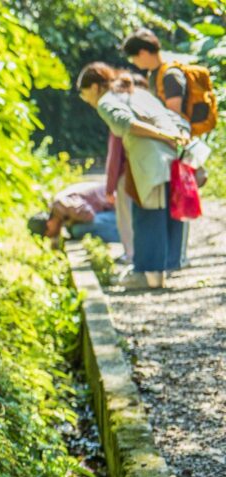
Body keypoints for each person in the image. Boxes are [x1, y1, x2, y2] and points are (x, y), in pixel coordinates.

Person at [77, 61, 190, 289]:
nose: (85, 99)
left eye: (84, 92)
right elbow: (174, 119)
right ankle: (158, 276)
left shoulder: (106, 101)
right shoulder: (138, 92)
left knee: (147, 217)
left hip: (148, 163)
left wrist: (162, 134)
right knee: (162, 215)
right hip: (169, 159)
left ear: (95, 87)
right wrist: (175, 136)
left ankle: (145, 274)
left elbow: (124, 125)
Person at [121, 28, 193, 266]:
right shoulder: (156, 75)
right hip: (167, 145)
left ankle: (176, 259)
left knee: (179, 201)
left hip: (175, 145)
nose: (135, 63)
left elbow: (173, 114)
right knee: (172, 201)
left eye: (134, 58)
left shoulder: (169, 75)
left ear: (143, 52)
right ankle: (171, 259)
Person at [105, 72, 148, 264]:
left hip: (127, 175)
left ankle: (130, 255)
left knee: (126, 217)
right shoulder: (148, 112)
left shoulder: (120, 115)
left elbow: (114, 157)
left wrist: (109, 187)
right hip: (148, 171)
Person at [28, 181, 117, 250]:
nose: (51, 236)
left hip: (120, 207)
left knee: (78, 230)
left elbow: (89, 215)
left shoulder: (62, 204)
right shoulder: (58, 208)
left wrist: (71, 222)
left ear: (49, 224)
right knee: (74, 229)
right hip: (111, 209)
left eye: (48, 235)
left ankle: (125, 237)